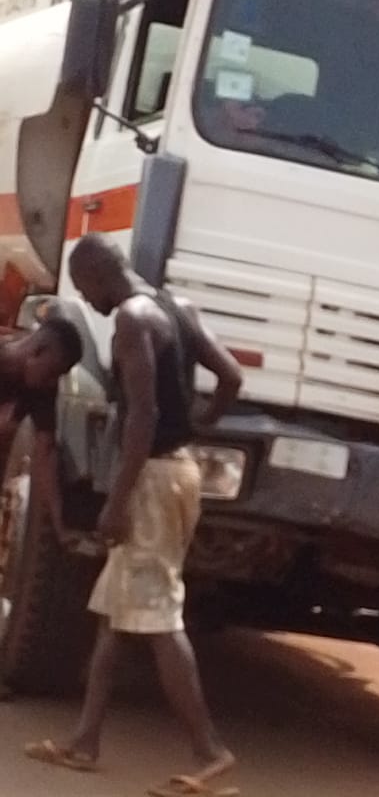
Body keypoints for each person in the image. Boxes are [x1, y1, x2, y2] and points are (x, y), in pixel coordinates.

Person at [25, 234, 243, 796]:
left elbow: (142, 415)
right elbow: (231, 377)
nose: (87, 302)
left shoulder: (131, 319)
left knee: (159, 618)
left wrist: (117, 501)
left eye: (85, 289)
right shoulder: (178, 307)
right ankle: (84, 742)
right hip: (180, 471)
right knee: (116, 614)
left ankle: (210, 753)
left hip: (151, 481)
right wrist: (200, 423)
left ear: (100, 275)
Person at [0, 317, 83, 541]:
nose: (52, 382)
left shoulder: (41, 389)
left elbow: (45, 452)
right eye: (51, 372)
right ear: (37, 351)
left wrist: (59, 527)